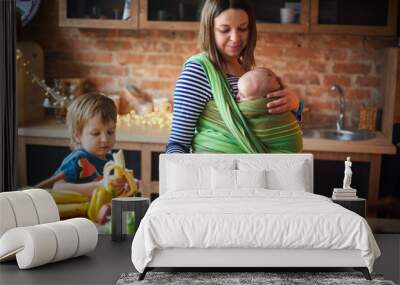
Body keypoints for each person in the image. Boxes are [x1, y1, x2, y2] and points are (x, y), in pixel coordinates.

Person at [166, 0, 303, 154]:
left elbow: (272, 128)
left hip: (259, 174)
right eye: (224, 30)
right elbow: (178, 143)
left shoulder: (248, 73)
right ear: (209, 30)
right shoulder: (197, 73)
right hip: (215, 174)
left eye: (243, 28)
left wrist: (296, 105)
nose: (235, 38)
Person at [53, 93, 127, 197]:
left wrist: (124, 187)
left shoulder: (111, 161)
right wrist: (99, 186)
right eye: (96, 133)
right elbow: (57, 188)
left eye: (110, 132)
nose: (105, 139)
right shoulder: (77, 160)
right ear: (77, 136)